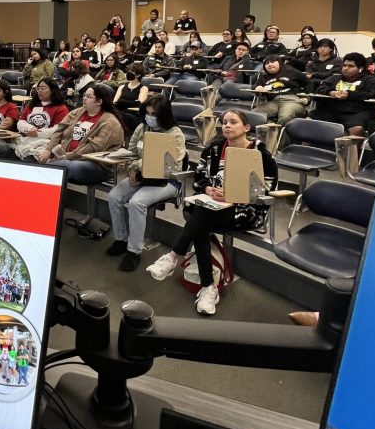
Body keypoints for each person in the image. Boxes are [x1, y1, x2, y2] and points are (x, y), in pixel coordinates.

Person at [146, 109, 278, 315]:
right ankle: (208, 287)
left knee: (201, 216)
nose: (226, 125)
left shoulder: (259, 153)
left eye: (233, 122)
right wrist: (208, 189)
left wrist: (232, 195)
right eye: (224, 122)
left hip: (245, 210)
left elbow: (267, 189)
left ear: (246, 128)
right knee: (202, 216)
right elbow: (199, 178)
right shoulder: (215, 148)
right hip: (211, 205)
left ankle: (174, 256)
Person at [106, 96, 187, 271]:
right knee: (114, 196)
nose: (150, 117)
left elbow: (171, 163)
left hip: (167, 181)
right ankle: (121, 239)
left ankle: (133, 251)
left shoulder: (175, 134)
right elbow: (132, 152)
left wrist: (137, 169)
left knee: (137, 202)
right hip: (141, 177)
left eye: (154, 114)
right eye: (148, 113)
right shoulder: (142, 128)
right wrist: (130, 169)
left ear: (164, 115)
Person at [37, 84, 124, 184]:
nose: (84, 99)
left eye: (89, 96)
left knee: (62, 167)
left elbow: (94, 148)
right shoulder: (78, 112)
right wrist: (48, 150)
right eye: (84, 95)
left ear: (99, 102)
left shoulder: (109, 121)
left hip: (97, 164)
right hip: (68, 157)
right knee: (40, 157)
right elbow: (59, 130)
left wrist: (67, 156)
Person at [310, 52, 375, 136]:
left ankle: (351, 149)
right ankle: (305, 147)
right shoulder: (335, 78)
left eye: (350, 66)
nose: (345, 68)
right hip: (332, 110)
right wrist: (332, 92)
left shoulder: (370, 80)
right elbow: (319, 89)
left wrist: (350, 95)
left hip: (357, 112)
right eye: (344, 65)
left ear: (360, 69)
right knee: (309, 119)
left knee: (357, 128)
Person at [252, 55, 308, 128]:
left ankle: (282, 139)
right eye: (267, 63)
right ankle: (272, 129)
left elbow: (309, 82)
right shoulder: (263, 76)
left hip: (291, 100)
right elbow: (254, 87)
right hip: (273, 102)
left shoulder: (291, 71)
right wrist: (258, 87)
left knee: (285, 117)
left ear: (279, 63)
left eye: (272, 62)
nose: (270, 64)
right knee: (252, 115)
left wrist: (307, 96)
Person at [113, 63, 149, 132]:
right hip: (120, 112)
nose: (128, 73)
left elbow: (139, 103)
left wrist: (122, 101)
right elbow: (115, 102)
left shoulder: (143, 88)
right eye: (128, 71)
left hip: (133, 115)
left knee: (124, 116)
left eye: (131, 72)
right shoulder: (122, 87)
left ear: (138, 75)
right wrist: (132, 102)